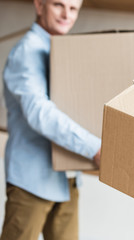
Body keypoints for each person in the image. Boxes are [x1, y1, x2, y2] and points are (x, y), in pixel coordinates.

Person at [1, 0, 101, 239]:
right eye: (59, 5)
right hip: (32, 180)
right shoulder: (27, 52)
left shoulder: (66, 52)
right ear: (39, 6)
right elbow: (40, 113)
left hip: (67, 178)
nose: (67, 14)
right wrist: (95, 147)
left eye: (73, 8)